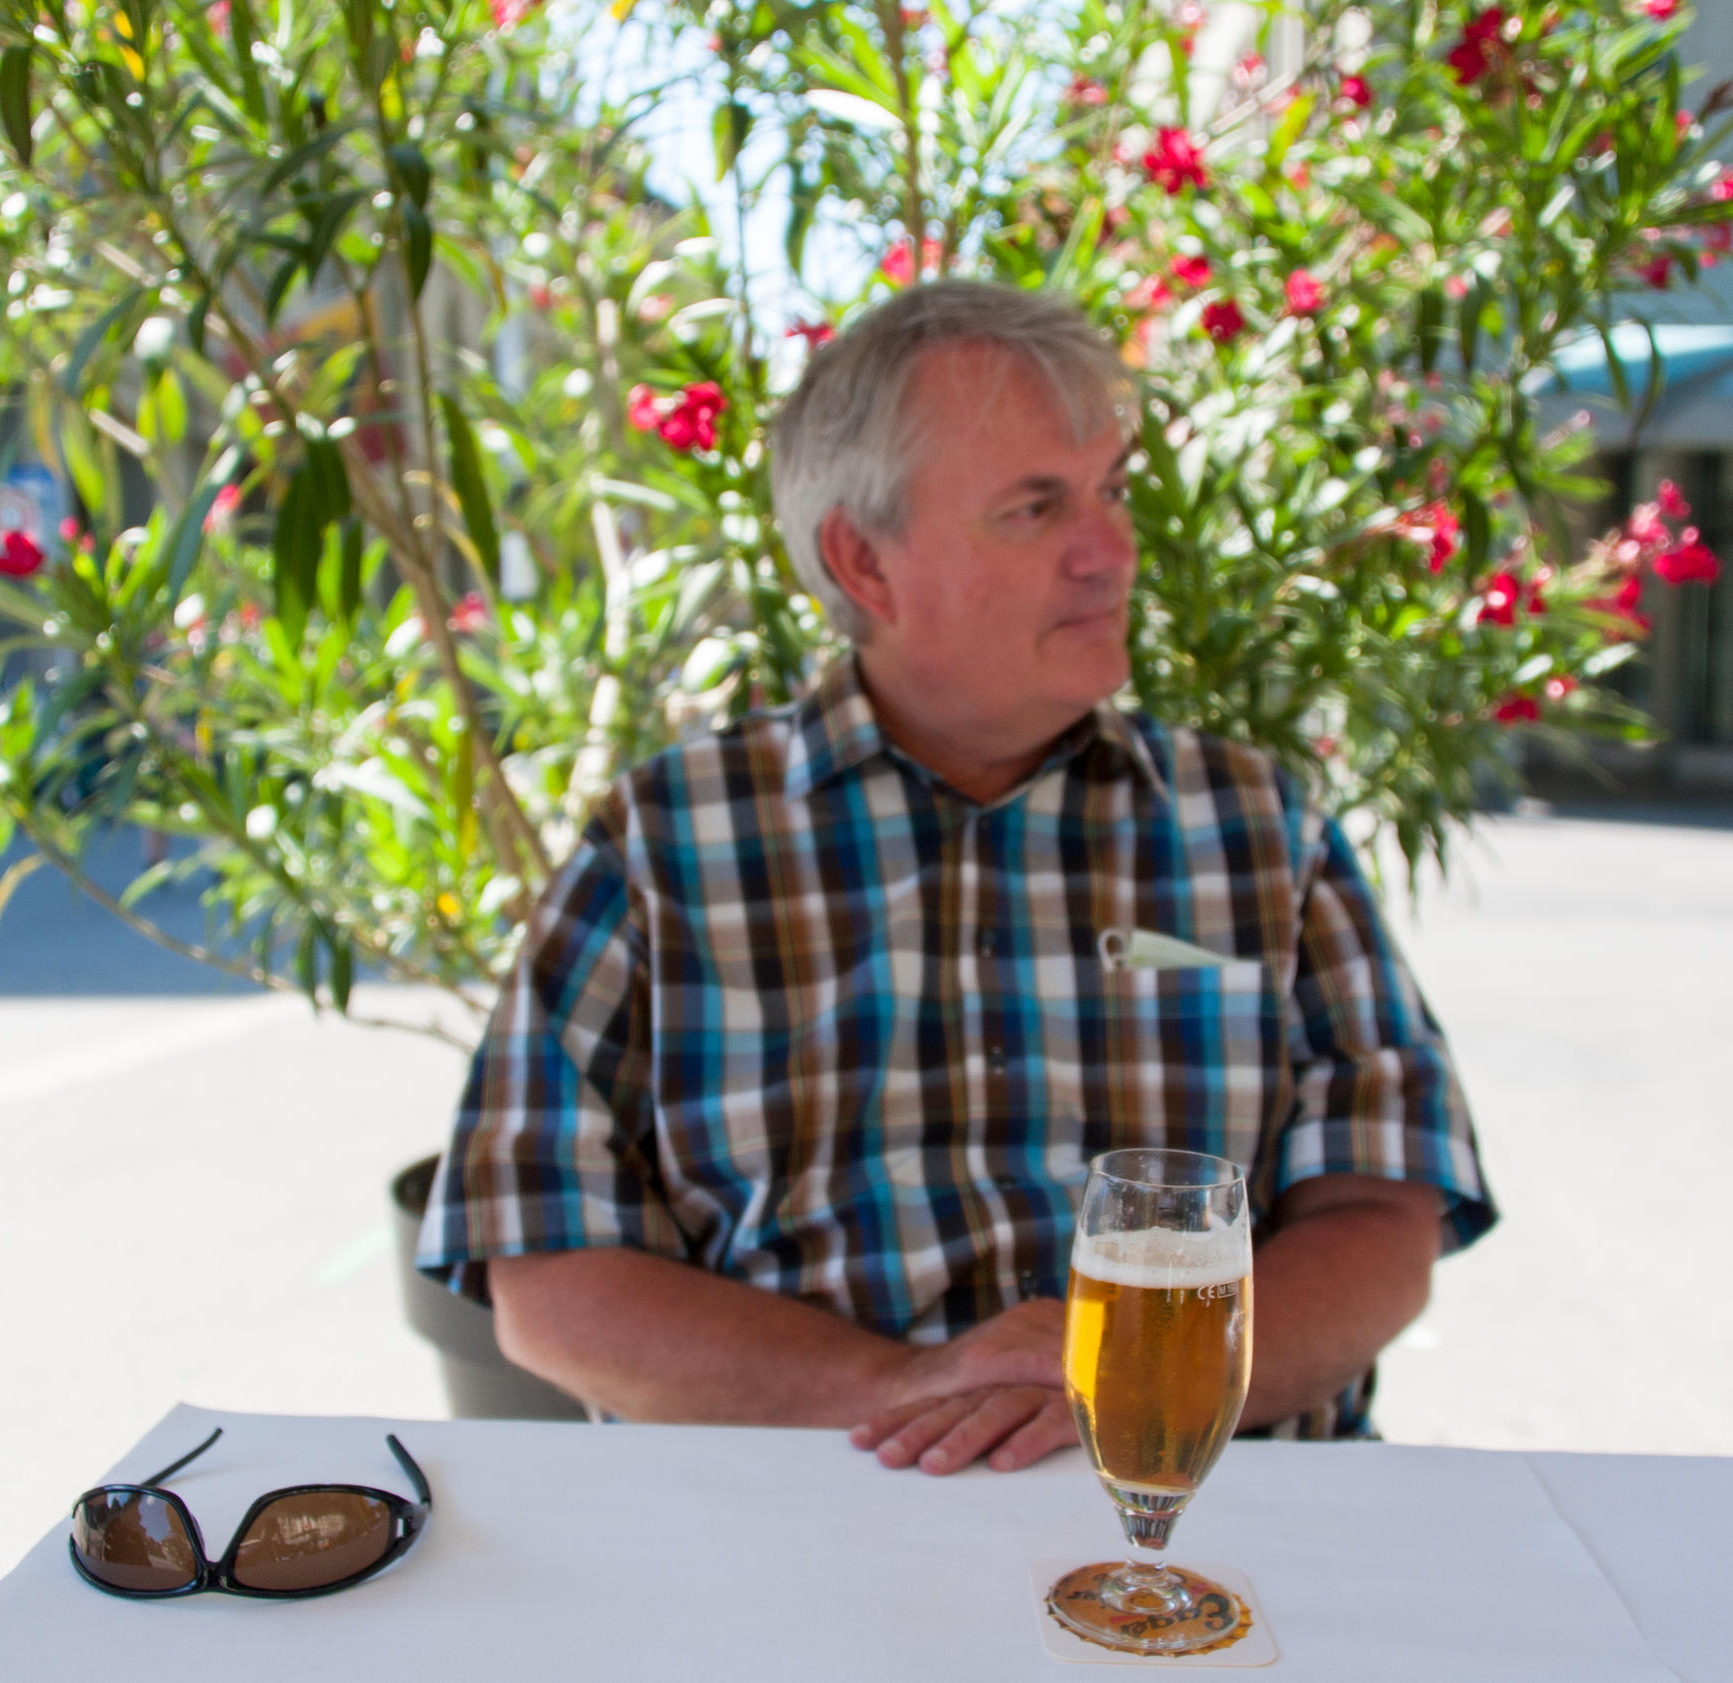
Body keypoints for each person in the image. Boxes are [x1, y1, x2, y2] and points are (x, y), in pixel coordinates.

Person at [417, 280, 1491, 1474]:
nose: (1112, 550)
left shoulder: (1254, 824)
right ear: (862, 565)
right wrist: (913, 1390)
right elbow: (547, 1275)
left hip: (1212, 1513)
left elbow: (1384, 1204)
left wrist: (1145, 1385)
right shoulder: (668, 843)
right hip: (809, 1523)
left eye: (1112, 489)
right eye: (1035, 509)